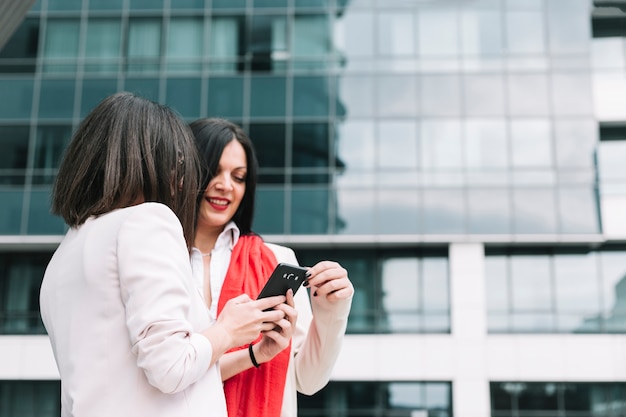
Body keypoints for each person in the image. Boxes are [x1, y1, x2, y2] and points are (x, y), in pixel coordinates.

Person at [39, 92, 289, 417]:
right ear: (150, 162)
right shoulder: (147, 221)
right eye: (179, 164)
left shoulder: (65, 253)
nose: (184, 181)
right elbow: (171, 368)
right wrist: (227, 329)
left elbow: (136, 374)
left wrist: (251, 353)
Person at [189, 117, 354, 417]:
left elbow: (308, 379)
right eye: (214, 171)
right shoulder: (160, 258)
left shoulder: (276, 260)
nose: (226, 186)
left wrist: (331, 311)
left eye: (238, 177)